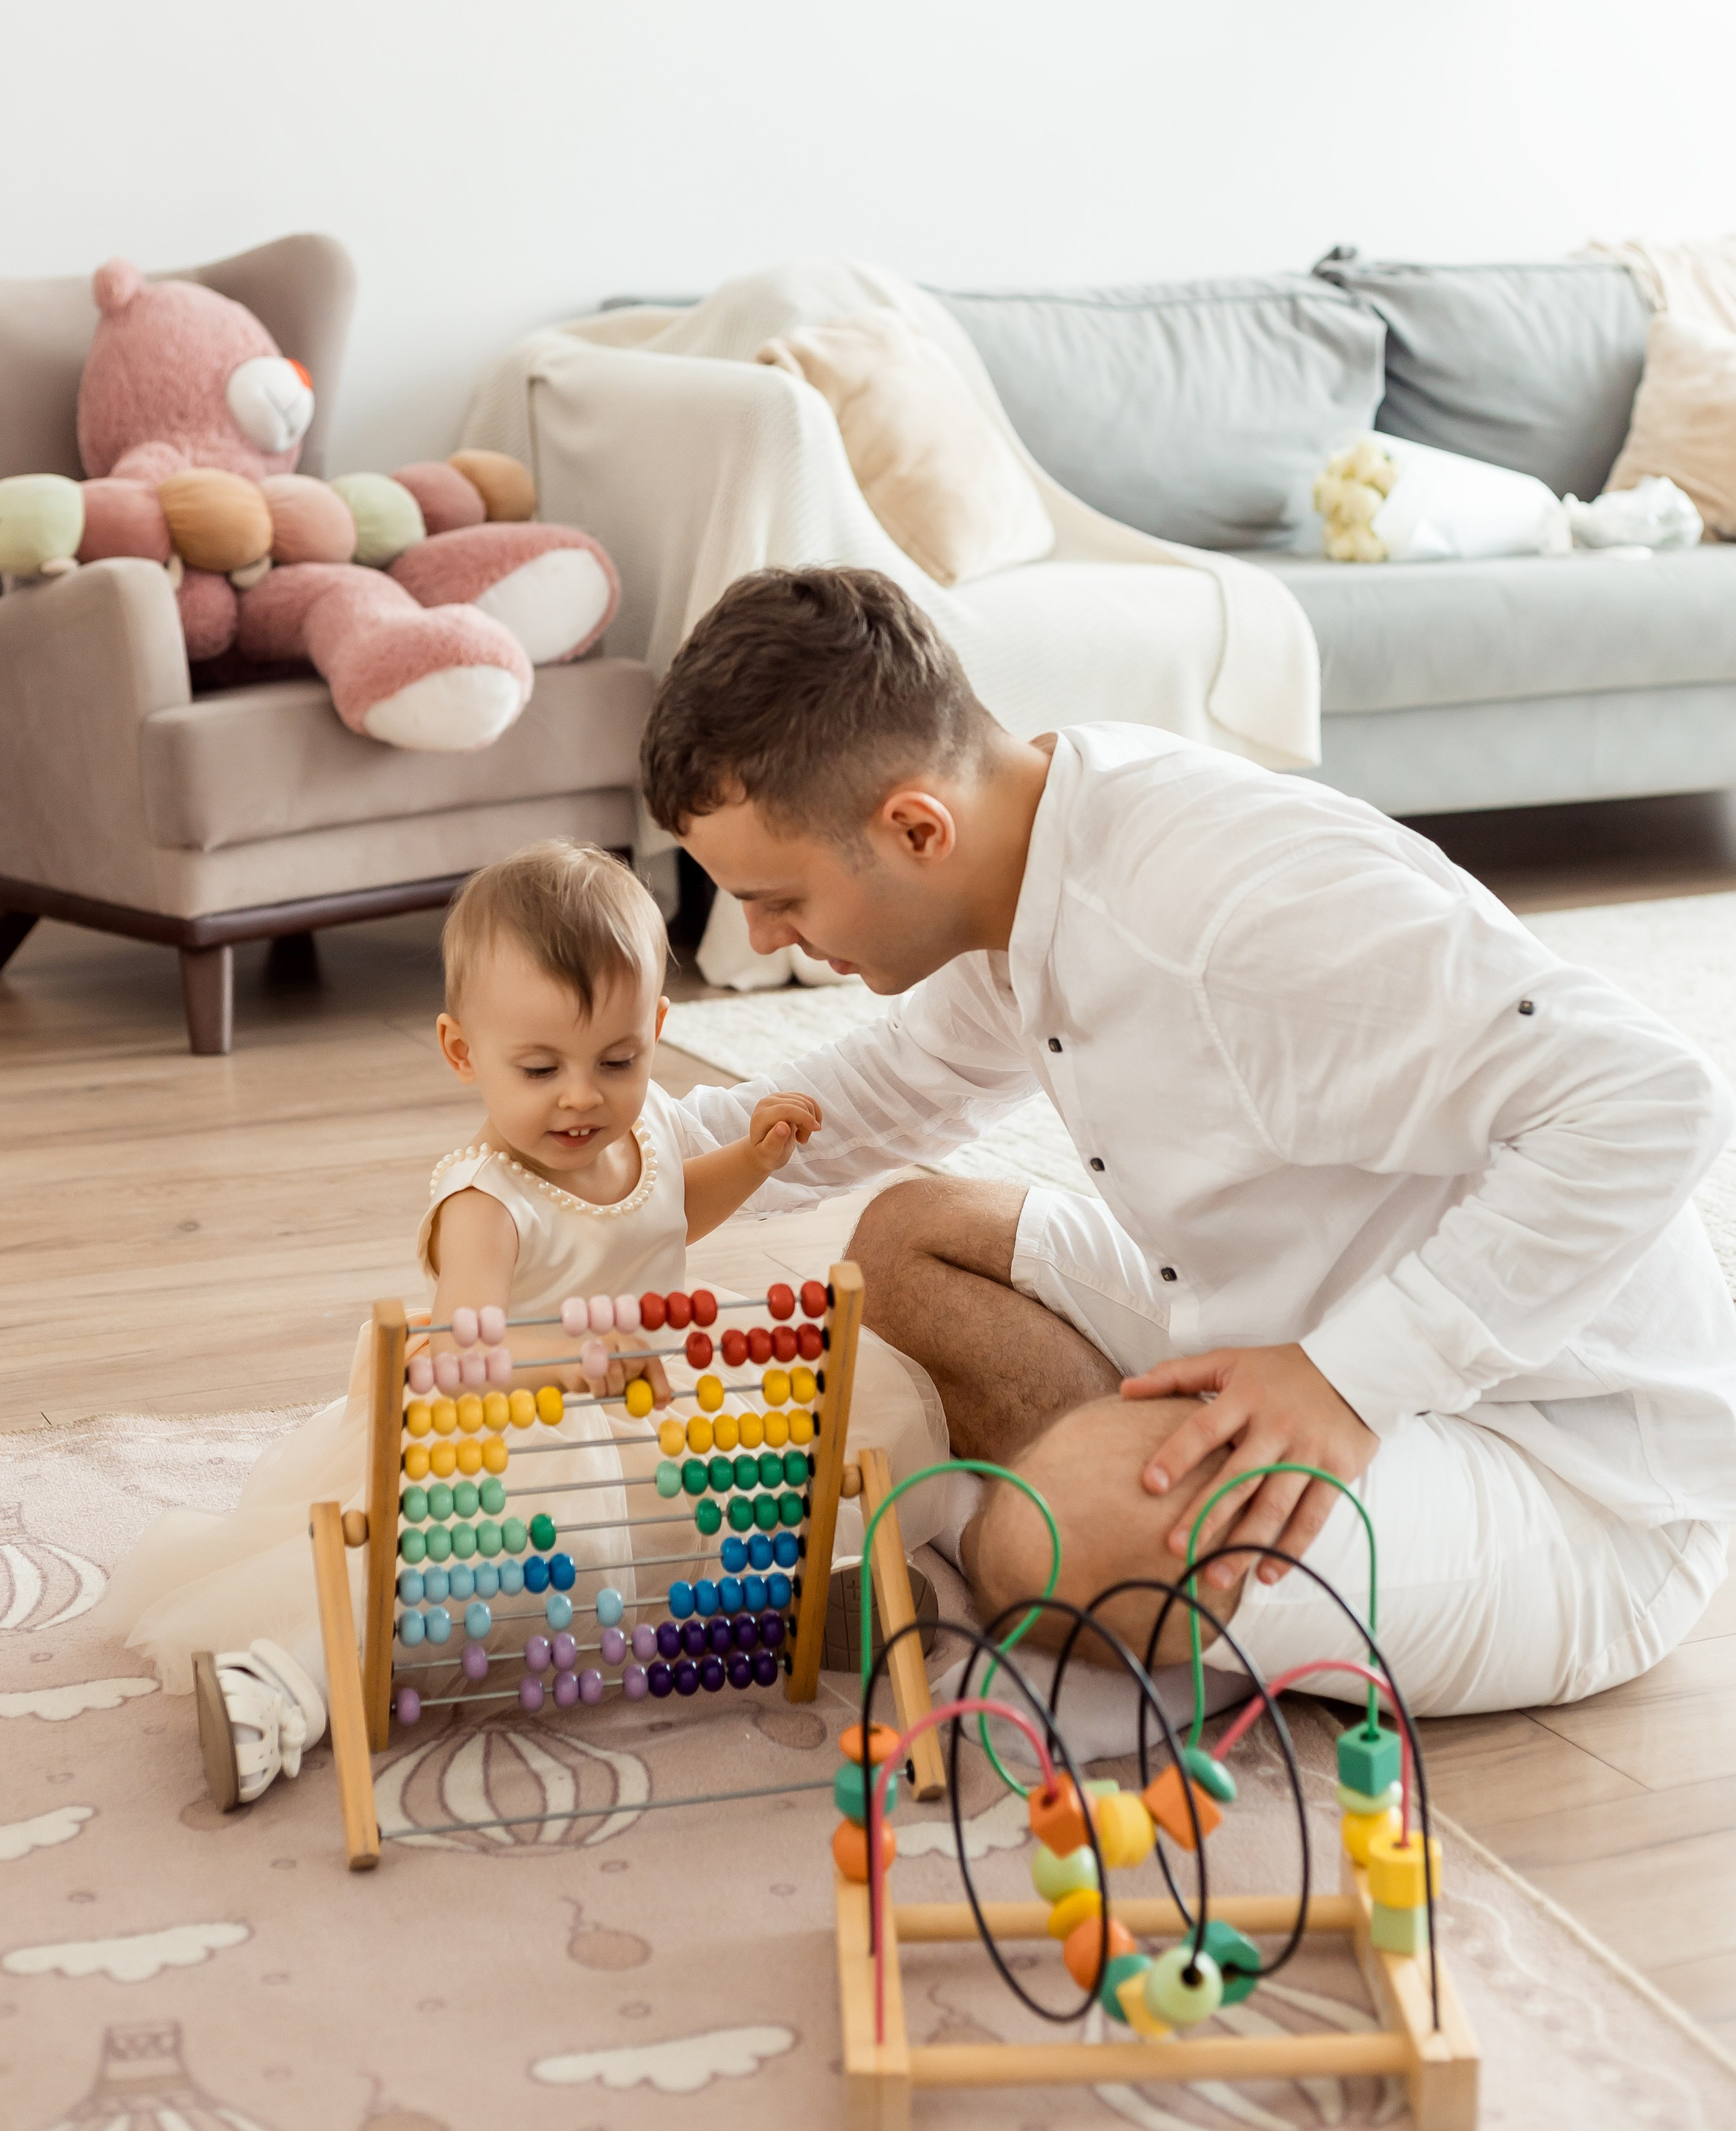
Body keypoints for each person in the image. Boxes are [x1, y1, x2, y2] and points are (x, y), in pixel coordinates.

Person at [644, 566, 1736, 1715]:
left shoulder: (1236, 918)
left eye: (779, 898)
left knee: (1063, 1531)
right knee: (911, 1240)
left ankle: (1034, 1560)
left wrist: (1348, 1382)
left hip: (1568, 1477)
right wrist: (612, 1171)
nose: (765, 934)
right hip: (1283, 1334)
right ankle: (1096, 1546)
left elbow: (1651, 1097)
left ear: (917, 826)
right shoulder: (1035, 847)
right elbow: (887, 1089)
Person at [106, 840, 817, 1791]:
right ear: (461, 1052)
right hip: (507, 1427)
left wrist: (754, 1162)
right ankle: (285, 1686)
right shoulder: (486, 1203)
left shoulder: (641, 1133)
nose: (581, 1096)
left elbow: (668, 1212)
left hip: (639, 1409)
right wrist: (571, 1367)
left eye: (617, 1059)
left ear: (655, 1027)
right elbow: (460, 1351)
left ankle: (798, 1600)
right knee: (436, 1582)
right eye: (538, 1068)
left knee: (752, 1487)